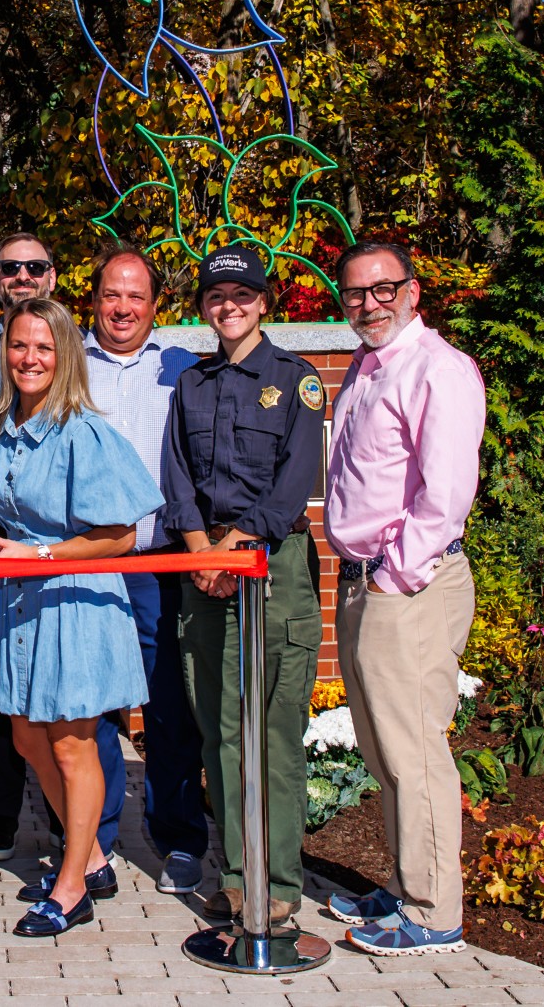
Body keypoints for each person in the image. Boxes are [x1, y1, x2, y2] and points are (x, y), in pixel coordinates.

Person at [0, 298, 160, 938]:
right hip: (20, 600)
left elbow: (123, 537)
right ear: (4, 352)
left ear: (65, 356)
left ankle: (72, 887)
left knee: (73, 747)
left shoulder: (86, 431)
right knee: (24, 737)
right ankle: (94, 859)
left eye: (43, 348)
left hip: (76, 595)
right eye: (19, 346)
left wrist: (40, 550)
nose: (29, 359)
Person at [322, 242, 485, 956]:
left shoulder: (439, 369)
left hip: (407, 584)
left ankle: (432, 909)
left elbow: (444, 496)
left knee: (413, 747)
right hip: (366, 579)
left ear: (412, 291)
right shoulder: (366, 365)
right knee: (384, 746)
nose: (368, 303)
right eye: (355, 293)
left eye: (382, 289)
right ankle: (405, 879)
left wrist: (393, 575)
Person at [161, 245, 326, 930]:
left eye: (242, 295)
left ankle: (280, 878)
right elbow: (176, 477)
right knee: (221, 730)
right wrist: (202, 549)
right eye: (216, 296)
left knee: (274, 731)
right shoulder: (192, 385)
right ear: (203, 306)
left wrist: (233, 547)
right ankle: (234, 873)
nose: (229, 306)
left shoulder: (297, 380)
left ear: (264, 302)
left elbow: (295, 481)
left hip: (274, 564)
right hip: (204, 566)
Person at [82, 248, 209, 895]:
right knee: (96, 709)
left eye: (136, 296)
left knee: (168, 709)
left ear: (156, 305)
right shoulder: (66, 366)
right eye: (112, 294)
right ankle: (92, 841)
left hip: (159, 564)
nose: (123, 307)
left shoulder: (181, 370)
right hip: (89, 565)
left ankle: (180, 839)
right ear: (94, 298)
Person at [0, 232, 58, 860]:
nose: (22, 275)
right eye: (10, 267)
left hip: (60, 556)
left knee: (62, 695)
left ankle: (68, 822)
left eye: (35, 266)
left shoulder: (77, 347)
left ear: (53, 276)